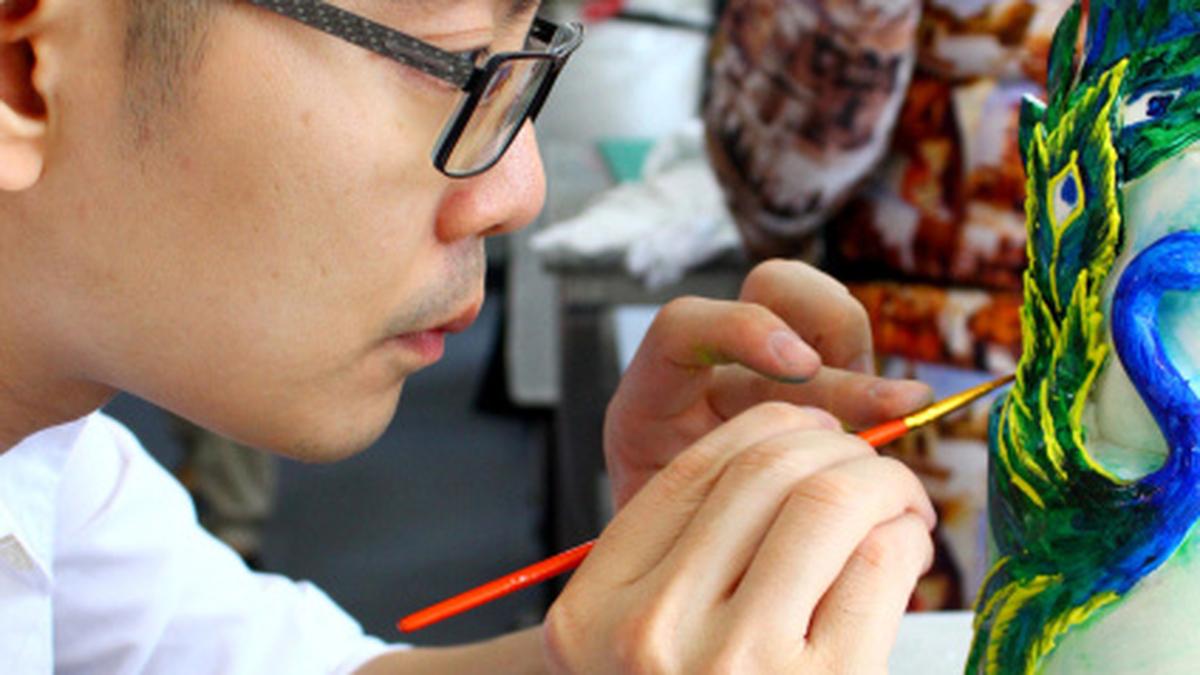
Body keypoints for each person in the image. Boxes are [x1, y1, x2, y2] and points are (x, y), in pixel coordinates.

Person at [0, 0, 936, 672]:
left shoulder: (58, 464)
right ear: (24, 75)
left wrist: (637, 621)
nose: (518, 192)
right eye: (450, 65)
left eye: (519, 60)